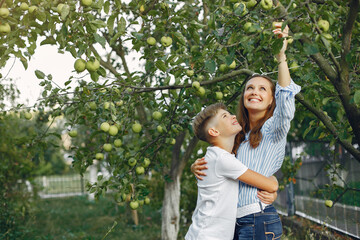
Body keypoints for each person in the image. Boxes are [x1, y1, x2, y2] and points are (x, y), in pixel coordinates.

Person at [191, 23, 301, 240]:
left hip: (258, 219)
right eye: (250, 88)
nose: (255, 92)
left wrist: (281, 58)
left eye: (263, 89)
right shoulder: (239, 137)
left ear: (272, 100)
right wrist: (198, 165)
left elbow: (286, 101)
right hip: (234, 222)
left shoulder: (273, 128)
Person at [185, 102, 279, 240]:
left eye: (229, 113)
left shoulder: (216, 157)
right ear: (214, 131)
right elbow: (271, 185)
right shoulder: (222, 159)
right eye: (224, 116)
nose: (233, 116)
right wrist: (274, 181)